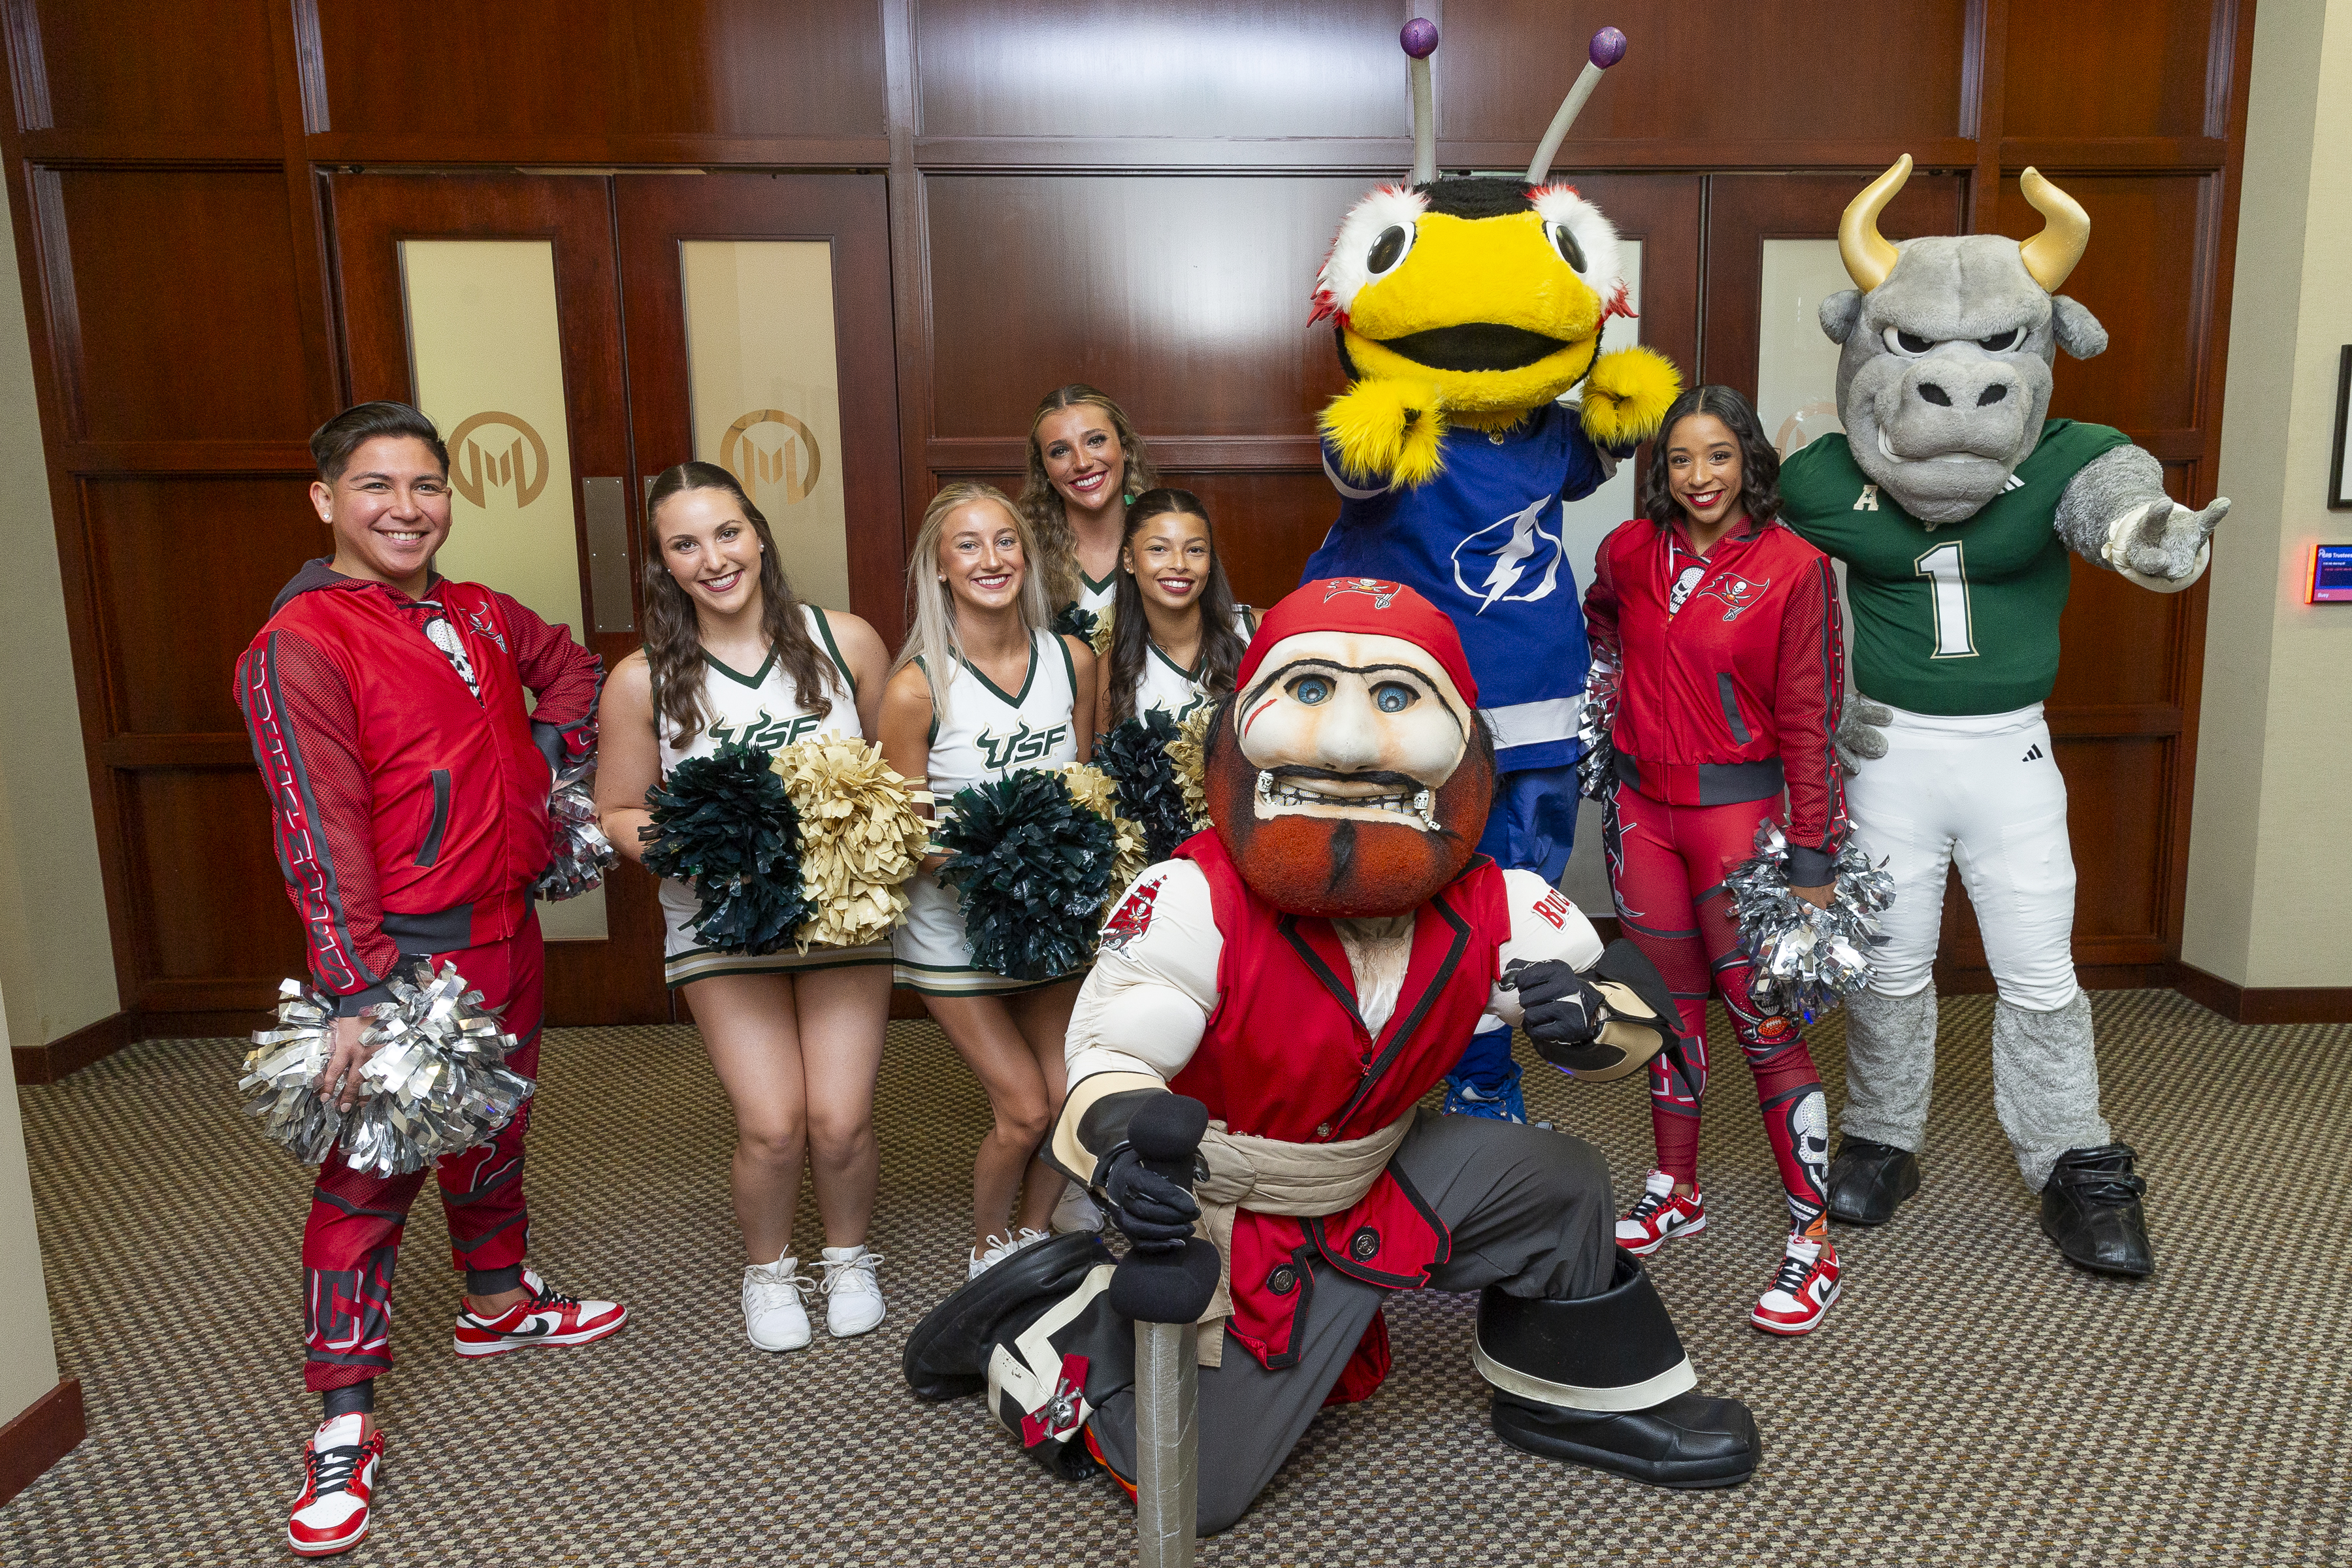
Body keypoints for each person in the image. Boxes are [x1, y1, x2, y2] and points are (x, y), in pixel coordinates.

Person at [902, 579, 1759, 1535]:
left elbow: (1633, 1011)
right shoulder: (1192, 899)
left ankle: (1570, 1393)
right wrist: (1126, 1151)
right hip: (1237, 1207)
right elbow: (1111, 1063)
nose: (1349, 745)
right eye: (1309, 693)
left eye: (1396, 700)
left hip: (1380, 1164)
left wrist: (1591, 1022)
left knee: (1557, 1181)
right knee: (1200, 1494)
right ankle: (1044, 1325)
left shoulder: (1494, 902)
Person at [236, 402, 627, 1559]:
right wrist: (355, 991)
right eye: (376, 487)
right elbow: (319, 827)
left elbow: (574, 672)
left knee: (496, 1126)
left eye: (425, 486)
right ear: (325, 500)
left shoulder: (478, 612)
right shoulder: (301, 641)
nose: (405, 509)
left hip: (508, 929)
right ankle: (344, 1421)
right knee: (367, 1178)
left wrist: (549, 776)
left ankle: (498, 1302)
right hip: (403, 952)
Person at [594, 461, 895, 1354]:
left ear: (758, 533)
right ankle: (768, 1271)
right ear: (663, 566)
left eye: (727, 532)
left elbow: (895, 771)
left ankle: (847, 1255)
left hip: (843, 917)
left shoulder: (846, 641)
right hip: (720, 921)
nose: (713, 558)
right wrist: (708, 850)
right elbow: (617, 809)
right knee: (773, 1126)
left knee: (839, 1123)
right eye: (685, 544)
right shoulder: (642, 681)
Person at [1582, 386, 1848, 1335]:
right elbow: (1602, 620)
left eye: (1719, 457)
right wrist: (1612, 704)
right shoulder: (1628, 551)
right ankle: (1676, 1187)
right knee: (1666, 1010)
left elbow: (1812, 718)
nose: (1700, 478)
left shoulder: (1795, 566)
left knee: (1766, 1030)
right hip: (1643, 815)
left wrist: (1813, 862)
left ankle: (1813, 1242)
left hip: (1741, 824)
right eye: (1682, 460)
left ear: (1750, 464)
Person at [879, 482, 1100, 1278]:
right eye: (967, 545)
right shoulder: (916, 689)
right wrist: (1004, 856)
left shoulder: (1073, 660)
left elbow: (1088, 786)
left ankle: (1032, 1236)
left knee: (1073, 1101)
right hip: (953, 926)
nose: (991, 559)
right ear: (940, 568)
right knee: (1024, 1110)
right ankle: (986, 1250)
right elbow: (903, 834)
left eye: (1005, 541)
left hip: (1052, 924)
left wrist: (1059, 860)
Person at [1093, 486, 1256, 731]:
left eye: (1195, 550)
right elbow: (1105, 767)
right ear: (1129, 560)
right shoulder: (1113, 666)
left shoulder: (1258, 630)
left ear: (1210, 561)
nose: (1180, 564)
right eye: (1159, 549)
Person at [1016, 384, 1160, 621]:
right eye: (1060, 451)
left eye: (1095, 441)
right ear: (1044, 468)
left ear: (1125, 448)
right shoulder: (1021, 556)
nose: (1082, 463)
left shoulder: (1170, 541)